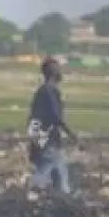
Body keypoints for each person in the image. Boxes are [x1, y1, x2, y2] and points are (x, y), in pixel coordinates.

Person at [28, 57, 77, 194]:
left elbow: (33, 119)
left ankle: (61, 199)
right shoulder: (50, 91)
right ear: (54, 73)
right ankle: (34, 194)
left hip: (44, 140)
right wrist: (71, 134)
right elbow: (56, 116)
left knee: (58, 172)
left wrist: (34, 140)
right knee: (48, 169)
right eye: (58, 69)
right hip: (49, 140)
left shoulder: (43, 91)